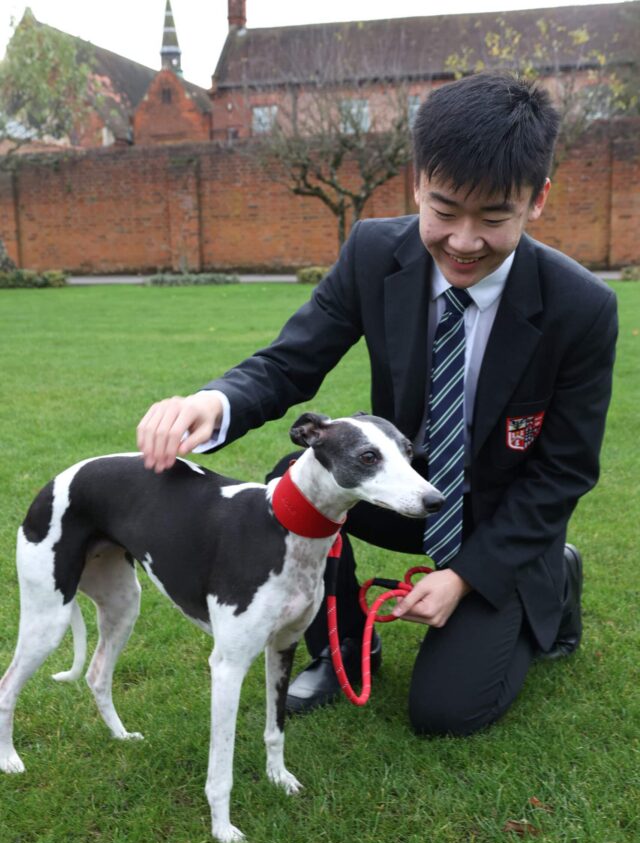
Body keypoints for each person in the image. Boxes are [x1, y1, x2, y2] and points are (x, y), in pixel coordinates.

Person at [136, 72, 617, 736]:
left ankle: (554, 578)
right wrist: (213, 402)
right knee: (290, 479)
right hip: (405, 494)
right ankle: (338, 648)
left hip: (498, 519)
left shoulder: (582, 309)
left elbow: (564, 471)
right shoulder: (373, 253)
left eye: (495, 216)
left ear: (538, 200)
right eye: (445, 210)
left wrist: (466, 579)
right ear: (418, 181)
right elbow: (290, 360)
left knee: (445, 712)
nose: (464, 240)